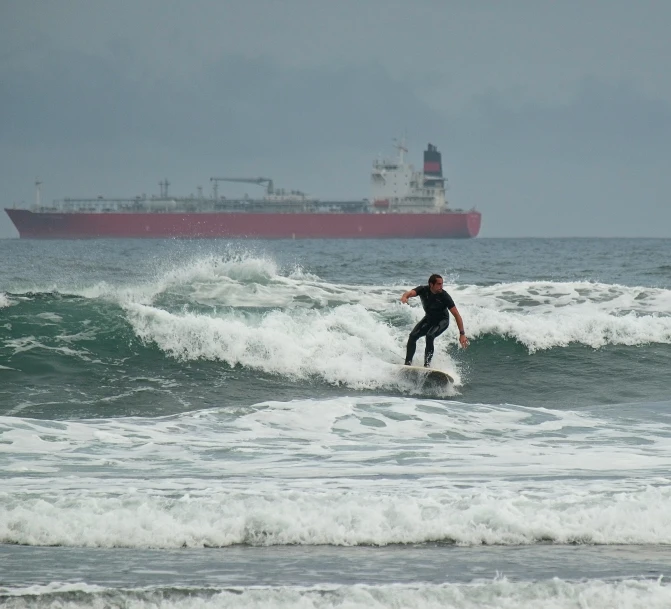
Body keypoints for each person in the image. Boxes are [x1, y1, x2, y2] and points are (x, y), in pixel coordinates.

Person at [400, 274, 469, 367]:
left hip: (442, 321)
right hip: (429, 319)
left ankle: (427, 364)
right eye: (439, 284)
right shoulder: (423, 290)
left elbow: (456, 315)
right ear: (431, 284)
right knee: (413, 336)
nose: (441, 286)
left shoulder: (444, 296)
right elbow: (409, 293)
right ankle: (407, 363)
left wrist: (462, 334)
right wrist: (405, 297)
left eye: (442, 284)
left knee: (430, 335)